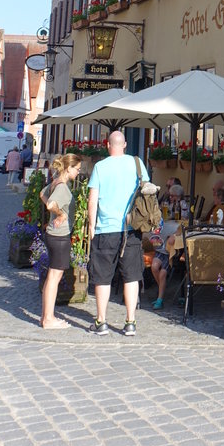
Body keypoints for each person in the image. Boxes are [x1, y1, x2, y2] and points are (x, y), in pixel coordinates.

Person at [86, 130, 150, 336]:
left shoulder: (100, 167)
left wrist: (91, 225)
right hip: (130, 229)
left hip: (105, 229)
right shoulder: (137, 164)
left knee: (102, 277)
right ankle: (130, 322)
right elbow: (147, 191)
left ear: (107, 145)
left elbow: (92, 199)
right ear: (124, 145)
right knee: (131, 276)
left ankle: (101, 321)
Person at [38, 152, 82, 329]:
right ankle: (48, 318)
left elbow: (42, 194)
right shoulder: (62, 186)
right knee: (55, 277)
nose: (79, 172)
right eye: (77, 169)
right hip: (59, 236)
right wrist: (60, 213)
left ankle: (46, 316)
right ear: (69, 168)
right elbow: (49, 204)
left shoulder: (56, 182)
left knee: (52, 276)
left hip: (53, 235)